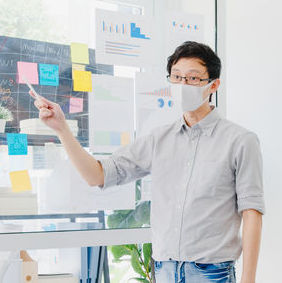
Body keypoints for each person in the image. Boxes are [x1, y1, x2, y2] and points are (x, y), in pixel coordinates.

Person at [31, 41, 265, 283]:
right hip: (163, 271)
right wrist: (62, 130)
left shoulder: (241, 141)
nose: (183, 85)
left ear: (213, 85)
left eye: (193, 79)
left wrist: (248, 280)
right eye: (176, 77)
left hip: (211, 274)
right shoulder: (159, 139)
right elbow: (97, 175)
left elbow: (252, 214)